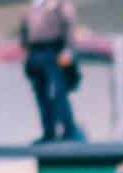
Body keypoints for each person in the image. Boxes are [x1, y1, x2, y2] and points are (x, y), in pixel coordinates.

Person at [20, 0, 84, 143]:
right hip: (35, 53)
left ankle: (69, 131)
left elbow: (69, 25)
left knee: (58, 93)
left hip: (54, 51)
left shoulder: (59, 4)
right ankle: (49, 133)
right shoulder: (34, 5)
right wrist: (25, 51)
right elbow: (25, 29)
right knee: (41, 95)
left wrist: (69, 50)